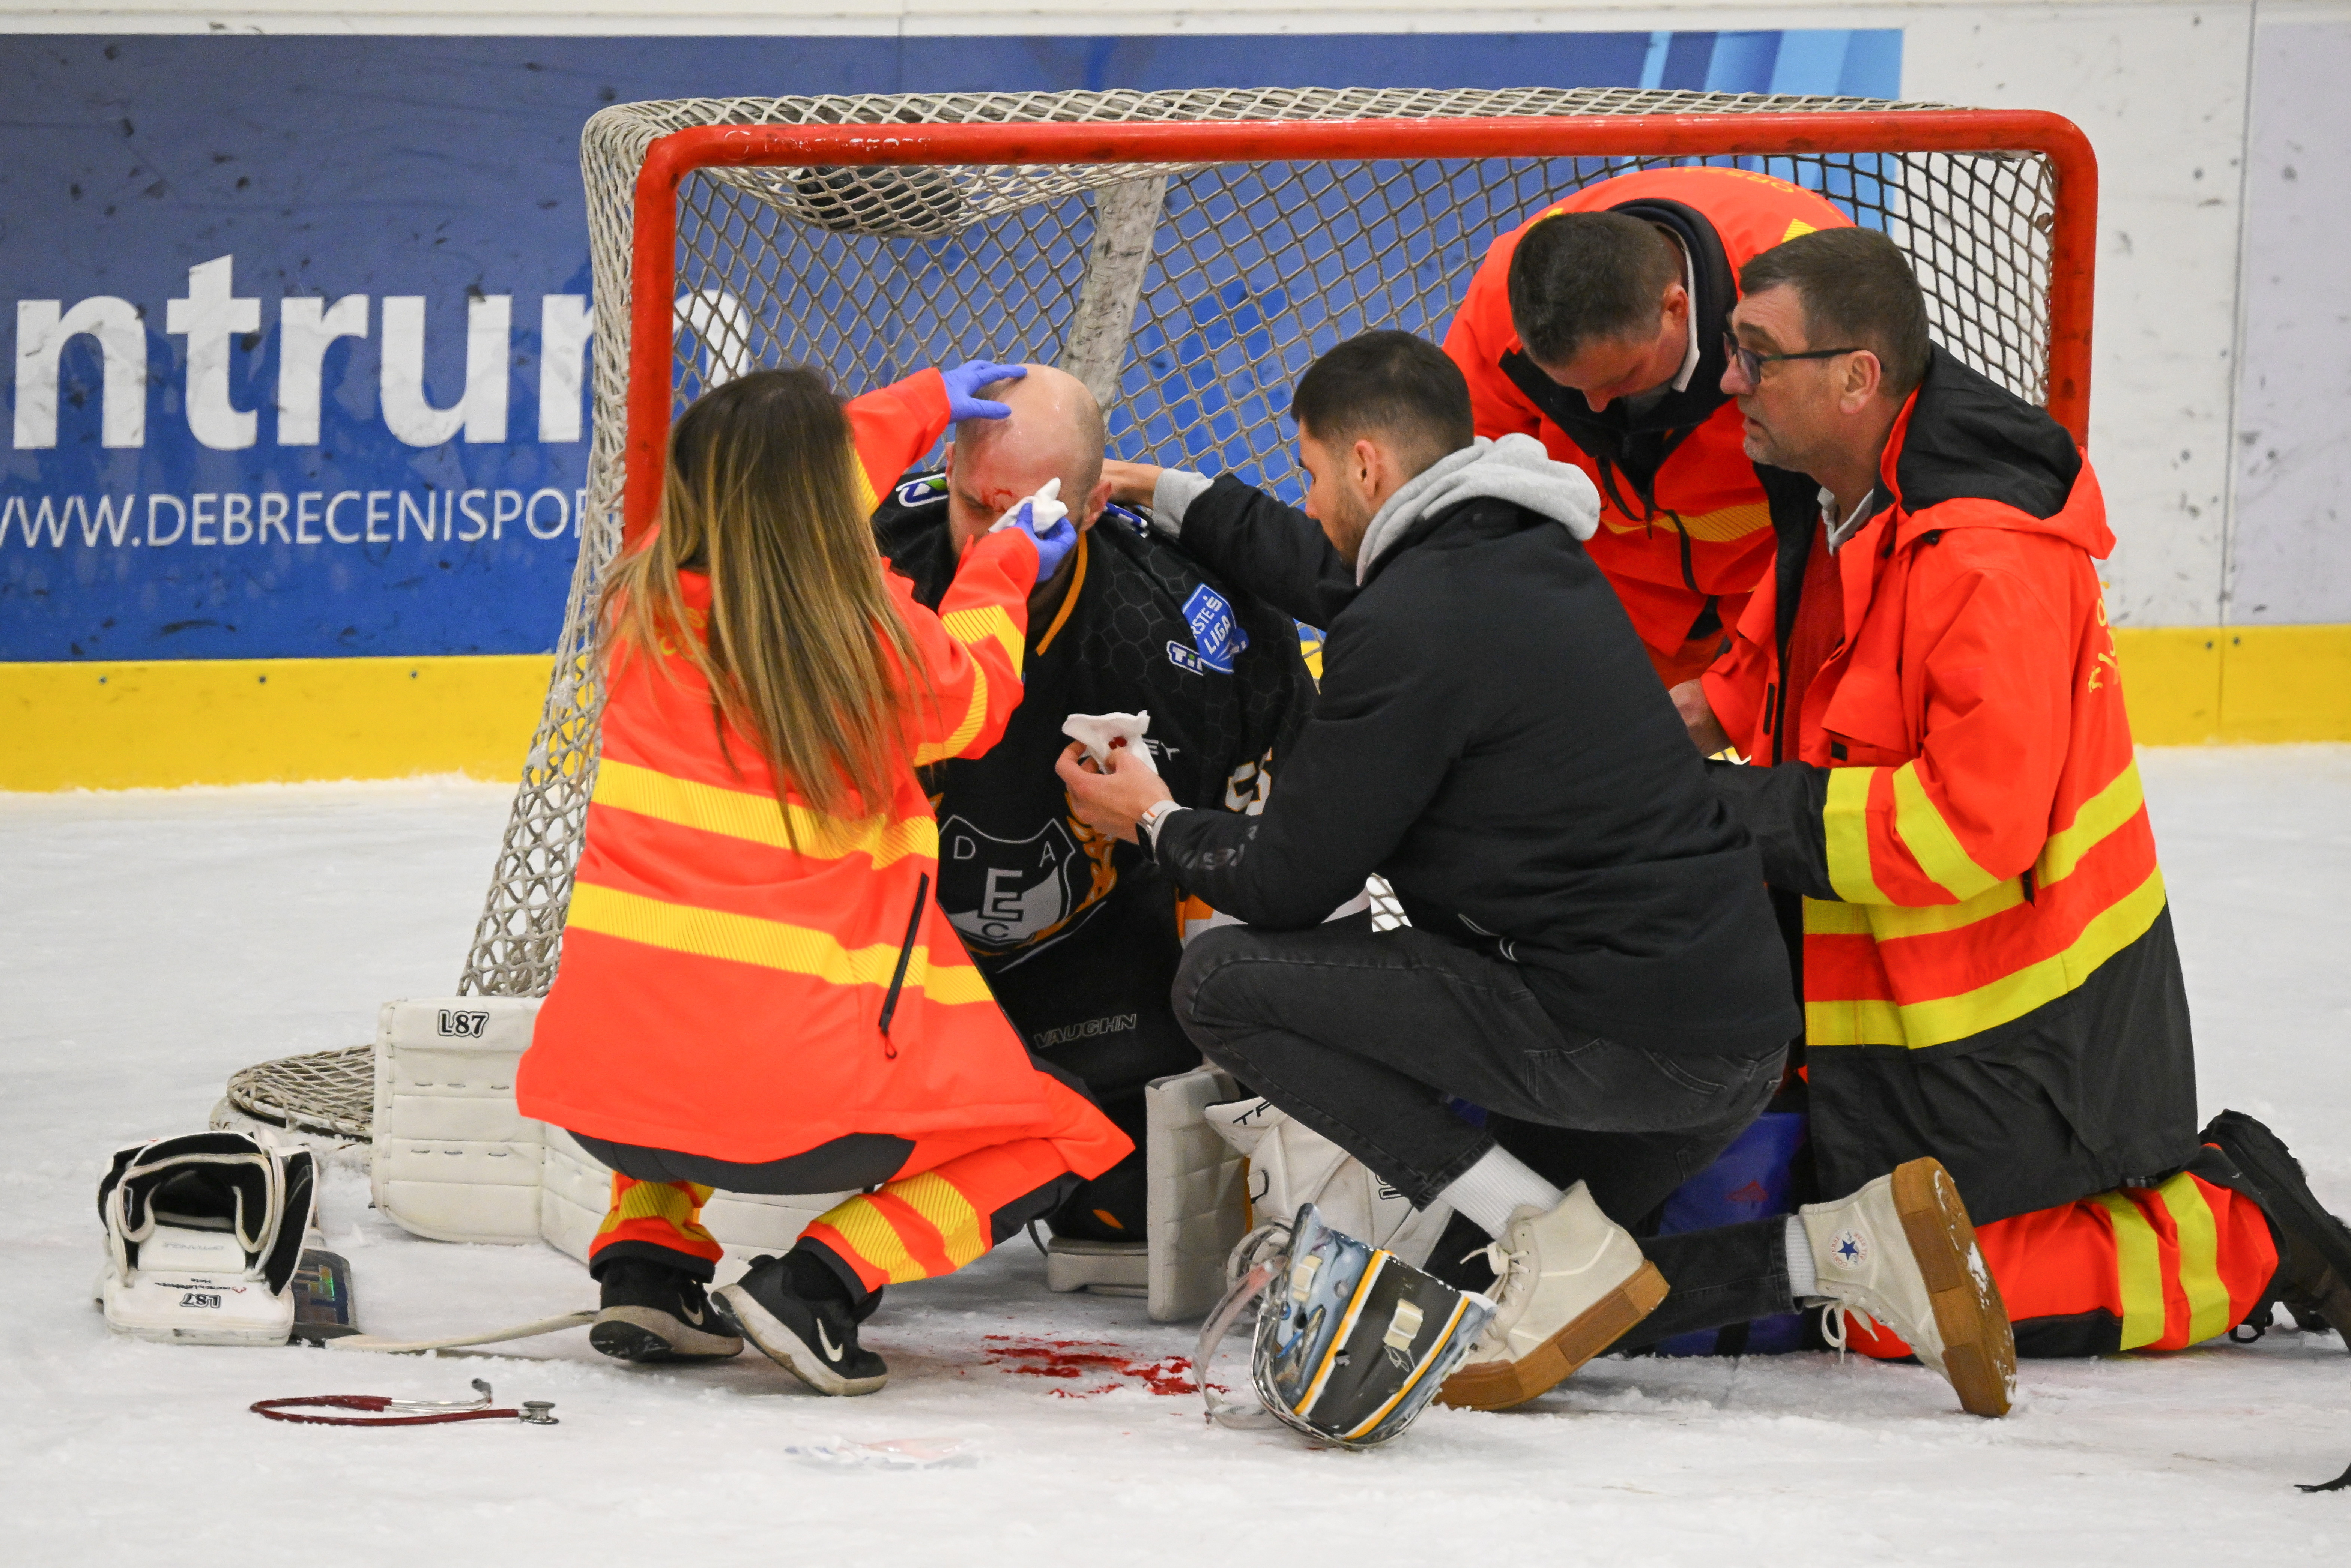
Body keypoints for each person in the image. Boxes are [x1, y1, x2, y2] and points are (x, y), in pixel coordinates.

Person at [1070, 329, 2015, 1417]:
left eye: (1313, 471)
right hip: (1731, 1027)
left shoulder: (1413, 621)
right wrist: (1171, 492)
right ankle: (1839, 1249)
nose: (1313, 495)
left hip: (1622, 1035)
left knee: (1224, 983)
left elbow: (1282, 882)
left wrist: (1154, 817)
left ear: (1369, 467)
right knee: (1497, 1279)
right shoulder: (1510, 554)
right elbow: (1337, 572)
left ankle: (1547, 1243)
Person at [1670, 225, 2351, 1360]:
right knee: (1848, 1259)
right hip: (1896, 995)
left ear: (1857, 378)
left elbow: (1965, 830)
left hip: (2029, 1025)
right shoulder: (1837, 500)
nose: (1728, 379)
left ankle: (2242, 1227)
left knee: (1889, 1307)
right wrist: (1593, 750)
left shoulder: (1987, 559)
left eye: (1754, 354)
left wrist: (1729, 815)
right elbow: (1758, 682)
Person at [517, 360, 1130, 1397]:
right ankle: (821, 1282)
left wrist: (928, 398)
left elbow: (773, 476)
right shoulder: (877, 648)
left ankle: (648, 1259)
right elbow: (978, 697)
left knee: (680, 998)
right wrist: (1005, 560)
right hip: (803, 1117)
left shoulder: (644, 608)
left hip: (605, 1093)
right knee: (1057, 1129)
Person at [870, 364, 1314, 1251]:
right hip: (883, 957)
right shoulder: (856, 559)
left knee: (1130, 1202)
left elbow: (1272, 860)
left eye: (1018, 520)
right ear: (948, 469)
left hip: (1079, 961)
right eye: (969, 505)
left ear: (1084, 510)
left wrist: (1158, 823)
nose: (981, 542)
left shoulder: (1188, 626)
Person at [1442, 166, 1850, 685]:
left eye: (1621, 377)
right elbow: (1460, 477)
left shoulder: (1816, 305)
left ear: (1673, 309)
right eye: (1566, 386)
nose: (1591, 407)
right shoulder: (1510, 297)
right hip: (1605, 592)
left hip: (1784, 582)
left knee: (1812, 735)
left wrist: (1738, 697)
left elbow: (1867, 501)